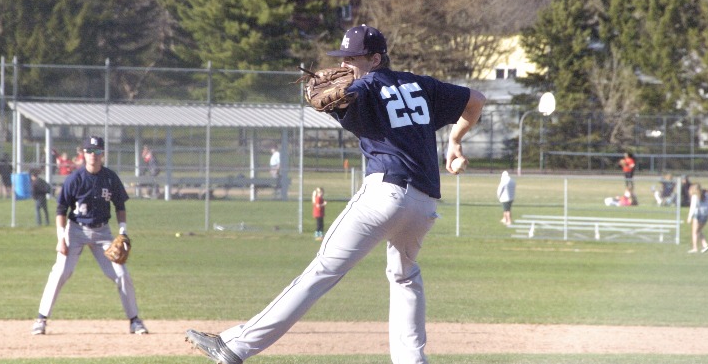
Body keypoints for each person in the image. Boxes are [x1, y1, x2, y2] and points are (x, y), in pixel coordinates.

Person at [186, 24, 486, 364]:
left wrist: (341, 96)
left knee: (321, 271)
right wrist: (455, 141)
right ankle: (412, 360)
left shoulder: (362, 88)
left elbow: (338, 100)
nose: (343, 67)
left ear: (375, 58)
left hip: (384, 195)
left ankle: (235, 346)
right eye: (341, 58)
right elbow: (476, 100)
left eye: (352, 58)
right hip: (424, 203)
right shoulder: (421, 83)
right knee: (405, 276)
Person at [31, 136, 148, 336]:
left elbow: (120, 205)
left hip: (103, 232)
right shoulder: (75, 179)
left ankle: (135, 321)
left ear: (103, 154)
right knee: (60, 272)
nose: (93, 155)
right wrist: (61, 239)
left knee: (122, 274)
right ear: (83, 154)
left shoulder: (110, 178)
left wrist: (122, 231)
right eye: (89, 151)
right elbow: (61, 209)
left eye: (97, 151)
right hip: (76, 230)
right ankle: (41, 319)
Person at [687, 183, 708, 254]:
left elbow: (692, 208)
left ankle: (695, 248)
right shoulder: (706, 195)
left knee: (694, 232)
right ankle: (705, 245)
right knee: (698, 230)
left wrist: (689, 217)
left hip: (698, 215)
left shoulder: (695, 196)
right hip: (705, 215)